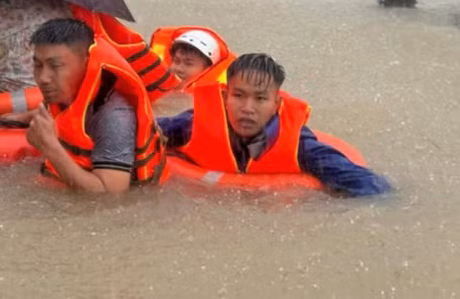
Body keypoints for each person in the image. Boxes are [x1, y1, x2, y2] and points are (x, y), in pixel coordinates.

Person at [158, 53, 391, 196]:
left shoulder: (298, 144)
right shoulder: (193, 123)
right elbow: (144, 130)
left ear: (275, 103)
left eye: (260, 99)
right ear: (225, 96)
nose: (247, 107)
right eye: (238, 95)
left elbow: (364, 184)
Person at [22, 18, 166, 193]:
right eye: (38, 65)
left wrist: (49, 147)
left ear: (86, 63)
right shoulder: (60, 91)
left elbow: (110, 196)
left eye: (55, 65)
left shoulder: (114, 116)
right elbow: (56, 115)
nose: (43, 77)